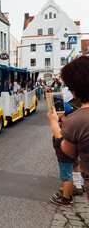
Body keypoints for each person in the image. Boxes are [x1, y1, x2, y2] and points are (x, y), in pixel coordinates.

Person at [47, 56, 89, 205]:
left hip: (69, 133)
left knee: (70, 165)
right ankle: (77, 186)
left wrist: (54, 123)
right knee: (76, 165)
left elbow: (68, 150)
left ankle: (67, 195)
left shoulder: (77, 119)